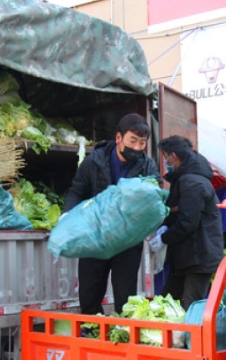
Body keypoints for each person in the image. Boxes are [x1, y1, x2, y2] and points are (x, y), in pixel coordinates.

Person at [64, 113, 162, 315]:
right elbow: (77, 191)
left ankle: (122, 337)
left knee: (125, 299)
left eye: (142, 143)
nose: (137, 148)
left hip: (127, 242)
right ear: (119, 138)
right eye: (132, 141)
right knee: (89, 296)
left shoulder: (147, 166)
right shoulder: (94, 162)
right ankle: (93, 336)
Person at [148, 135, 223, 310]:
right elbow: (181, 209)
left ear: (173, 156)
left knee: (190, 306)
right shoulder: (187, 177)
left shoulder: (192, 182)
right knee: (167, 302)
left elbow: (188, 222)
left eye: (165, 156)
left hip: (198, 258)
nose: (165, 161)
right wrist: (166, 224)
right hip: (187, 256)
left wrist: (164, 238)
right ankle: (174, 337)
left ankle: (190, 337)